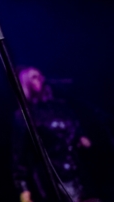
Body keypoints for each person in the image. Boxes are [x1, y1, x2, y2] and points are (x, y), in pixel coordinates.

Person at [12, 66, 100, 202]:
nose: (40, 79)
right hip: (54, 181)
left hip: (80, 176)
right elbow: (19, 157)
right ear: (25, 83)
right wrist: (24, 191)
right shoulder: (25, 115)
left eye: (40, 76)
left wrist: (82, 137)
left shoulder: (61, 107)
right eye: (33, 77)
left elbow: (77, 128)